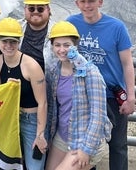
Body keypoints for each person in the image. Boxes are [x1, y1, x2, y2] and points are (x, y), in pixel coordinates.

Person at [67, 0, 135, 170]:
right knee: (87, 145)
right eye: (83, 1)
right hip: (83, 96)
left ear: (100, 2)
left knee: (118, 146)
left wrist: (131, 97)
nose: (87, 5)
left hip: (112, 96)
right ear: (77, 3)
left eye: (91, 0)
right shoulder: (71, 24)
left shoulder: (116, 27)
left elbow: (127, 63)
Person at [45, 21, 112, 170]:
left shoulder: (90, 72)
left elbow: (98, 115)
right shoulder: (54, 72)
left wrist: (86, 149)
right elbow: (53, 108)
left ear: (75, 45)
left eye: (66, 45)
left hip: (86, 139)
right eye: (57, 45)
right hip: (62, 136)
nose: (62, 50)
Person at [0, 17, 47, 170]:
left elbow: (43, 102)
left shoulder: (31, 66)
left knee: (34, 167)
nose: (9, 46)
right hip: (10, 118)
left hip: (32, 120)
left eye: (13, 42)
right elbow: (0, 94)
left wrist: (40, 135)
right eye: (5, 41)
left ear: (19, 42)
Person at [19, 0, 55, 72]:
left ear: (48, 10)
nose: (35, 12)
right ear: (25, 9)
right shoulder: (15, 27)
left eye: (40, 9)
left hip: (49, 82)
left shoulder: (58, 31)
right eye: (31, 8)